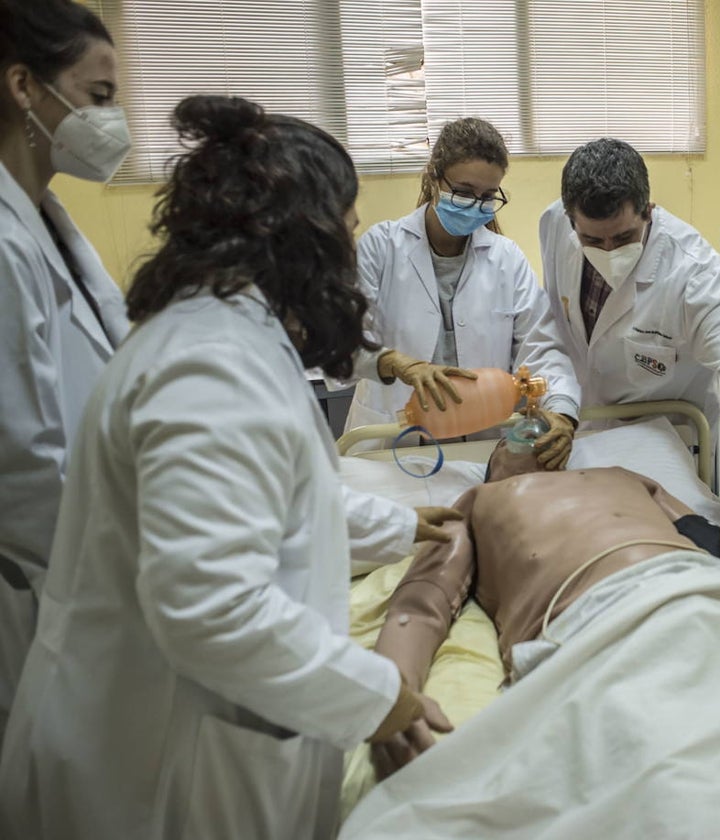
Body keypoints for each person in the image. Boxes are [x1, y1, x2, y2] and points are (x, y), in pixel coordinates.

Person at [0, 95, 460, 839]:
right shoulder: (209, 364)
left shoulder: (226, 335)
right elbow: (211, 605)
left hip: (185, 745)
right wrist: (380, 697)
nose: (352, 251)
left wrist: (399, 523)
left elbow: (276, 496)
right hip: (155, 777)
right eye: (344, 230)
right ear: (299, 237)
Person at [368, 441, 720, 773]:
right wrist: (395, 684)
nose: (532, 430)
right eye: (513, 437)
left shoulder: (621, 476)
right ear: (493, 465)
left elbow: (707, 535)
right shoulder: (477, 499)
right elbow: (421, 604)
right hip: (595, 616)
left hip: (700, 585)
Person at [539, 138, 720, 556]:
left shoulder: (692, 273)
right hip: (582, 433)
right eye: (592, 240)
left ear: (648, 210)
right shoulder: (554, 226)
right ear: (570, 221)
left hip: (664, 444)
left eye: (623, 238)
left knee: (667, 549)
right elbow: (553, 330)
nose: (607, 252)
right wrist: (560, 405)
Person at [0, 0, 134, 745]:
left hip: (88, 557)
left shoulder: (45, 215)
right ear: (26, 86)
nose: (111, 124)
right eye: (99, 97)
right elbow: (21, 464)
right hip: (45, 583)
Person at [349, 117, 580, 469]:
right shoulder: (382, 248)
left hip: (480, 443)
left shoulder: (506, 258)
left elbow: (540, 347)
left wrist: (563, 410)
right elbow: (344, 342)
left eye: (488, 197)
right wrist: (394, 362)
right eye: (464, 191)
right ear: (433, 177)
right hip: (390, 439)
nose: (475, 205)